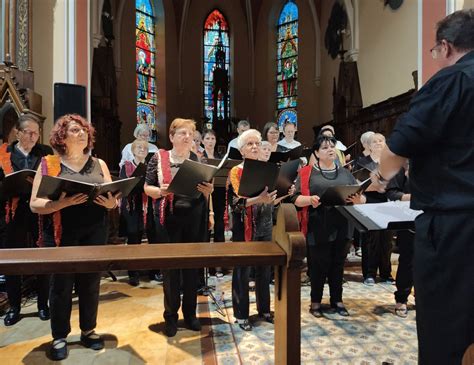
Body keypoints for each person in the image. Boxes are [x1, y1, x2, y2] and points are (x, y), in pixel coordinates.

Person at [373, 10, 474, 364]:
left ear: (446, 46)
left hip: (454, 227)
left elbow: (395, 150)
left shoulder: (450, 82)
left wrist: (382, 178)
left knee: (445, 327)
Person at [30, 114, 120, 361]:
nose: (81, 133)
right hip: (61, 232)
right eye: (74, 129)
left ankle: (88, 330)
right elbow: (35, 204)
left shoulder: (99, 164)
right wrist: (64, 202)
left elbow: (113, 198)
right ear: (62, 136)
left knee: (90, 282)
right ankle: (59, 335)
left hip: (95, 228)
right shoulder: (48, 163)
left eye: (83, 129)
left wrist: (112, 203)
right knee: (61, 285)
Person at [144, 118, 213, 337]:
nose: (187, 137)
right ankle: (171, 316)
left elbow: (207, 191)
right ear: (172, 137)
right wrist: (160, 191)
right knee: (171, 270)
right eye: (182, 133)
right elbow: (147, 187)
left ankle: (190, 314)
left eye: (191, 133)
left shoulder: (196, 158)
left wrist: (208, 193)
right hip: (168, 219)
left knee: (192, 269)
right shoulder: (159, 157)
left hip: (194, 217)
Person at [292, 135, 365, 318]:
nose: (330, 150)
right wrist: (309, 200)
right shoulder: (307, 172)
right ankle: (315, 301)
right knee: (318, 265)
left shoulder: (345, 172)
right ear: (316, 153)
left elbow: (361, 197)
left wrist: (359, 200)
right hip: (318, 224)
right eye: (325, 148)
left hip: (343, 223)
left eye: (332, 146)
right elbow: (295, 199)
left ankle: (337, 300)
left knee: (338, 264)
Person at [0, 114, 53, 326]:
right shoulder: (3, 153)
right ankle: (14, 306)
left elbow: (52, 180)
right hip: (11, 213)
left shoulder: (46, 153)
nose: (34, 137)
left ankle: (43, 304)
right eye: (29, 132)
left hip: (39, 212)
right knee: (14, 259)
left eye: (37, 133)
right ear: (18, 133)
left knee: (43, 257)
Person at [226, 129, 279, 331]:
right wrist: (259, 199)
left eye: (257, 143)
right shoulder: (236, 171)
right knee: (242, 271)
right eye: (250, 144)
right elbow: (236, 204)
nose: (255, 147)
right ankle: (241, 314)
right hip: (244, 226)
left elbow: (271, 200)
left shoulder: (267, 169)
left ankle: (264, 309)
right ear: (241, 151)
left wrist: (283, 194)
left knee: (264, 270)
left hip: (265, 223)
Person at [356, 133, 394, 286]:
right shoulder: (362, 162)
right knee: (371, 239)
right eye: (374, 142)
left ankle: (386, 274)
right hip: (369, 201)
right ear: (369, 146)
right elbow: (358, 184)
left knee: (386, 240)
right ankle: (369, 273)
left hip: (388, 201)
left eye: (381, 141)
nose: (378, 143)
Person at [119, 139, 149, 286]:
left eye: (144, 148)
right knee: (133, 238)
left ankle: (151, 270)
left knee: (147, 237)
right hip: (131, 205)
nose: (142, 150)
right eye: (139, 147)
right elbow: (123, 186)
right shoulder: (126, 166)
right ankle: (133, 273)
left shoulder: (149, 167)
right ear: (132, 150)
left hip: (146, 205)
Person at [386, 162, 413, 318]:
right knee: (407, 262)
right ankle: (401, 299)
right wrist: (412, 197)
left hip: (435, 219)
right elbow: (392, 192)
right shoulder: (402, 165)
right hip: (409, 221)